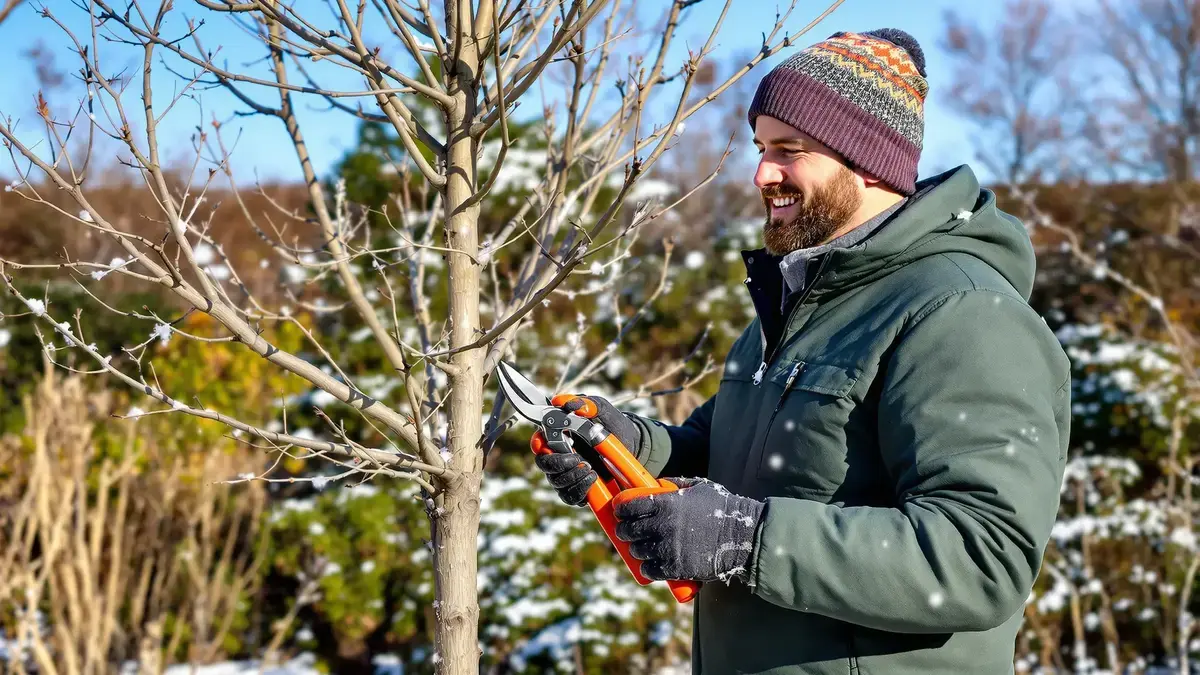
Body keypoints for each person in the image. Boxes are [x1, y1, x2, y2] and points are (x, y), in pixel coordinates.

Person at [533, 27, 1071, 675]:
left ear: (865, 158)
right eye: (761, 148)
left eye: (788, 150)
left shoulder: (961, 313)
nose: (762, 173)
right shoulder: (801, 305)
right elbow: (729, 456)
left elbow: (983, 555)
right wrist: (622, 449)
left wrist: (746, 538)